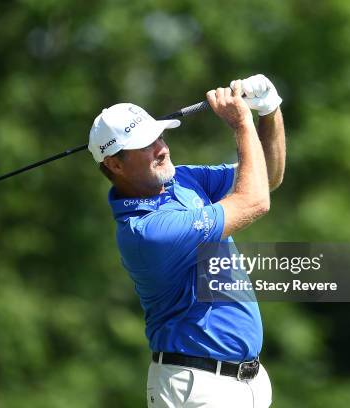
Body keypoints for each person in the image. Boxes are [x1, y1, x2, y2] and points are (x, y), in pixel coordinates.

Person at [88, 74, 285, 407]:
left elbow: (268, 178)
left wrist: (269, 109)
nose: (161, 148)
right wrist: (240, 123)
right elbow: (256, 201)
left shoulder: (183, 180)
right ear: (114, 163)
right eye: (145, 145)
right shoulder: (148, 231)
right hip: (198, 386)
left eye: (159, 136)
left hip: (246, 381)